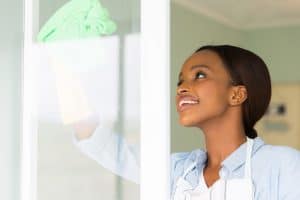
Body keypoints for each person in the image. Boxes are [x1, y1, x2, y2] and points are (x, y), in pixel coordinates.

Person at [72, 45, 300, 200]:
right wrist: (65, 65)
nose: (181, 88)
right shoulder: (176, 170)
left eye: (200, 75)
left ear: (236, 95)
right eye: (180, 80)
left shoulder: (282, 165)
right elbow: (96, 139)